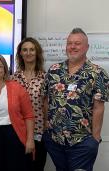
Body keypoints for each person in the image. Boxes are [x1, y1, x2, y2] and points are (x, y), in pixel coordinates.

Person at [42, 28, 109, 171]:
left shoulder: (97, 73)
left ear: (87, 47)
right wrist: (47, 127)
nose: (72, 47)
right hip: (55, 140)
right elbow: (46, 100)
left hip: (82, 142)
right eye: (69, 43)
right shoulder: (53, 70)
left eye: (77, 43)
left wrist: (95, 139)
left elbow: (99, 107)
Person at [11, 37, 47, 171]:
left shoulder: (46, 78)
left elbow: (47, 106)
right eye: (25, 50)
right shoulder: (13, 78)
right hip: (17, 133)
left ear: (37, 52)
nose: (28, 53)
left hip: (39, 133)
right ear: (20, 53)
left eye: (32, 49)